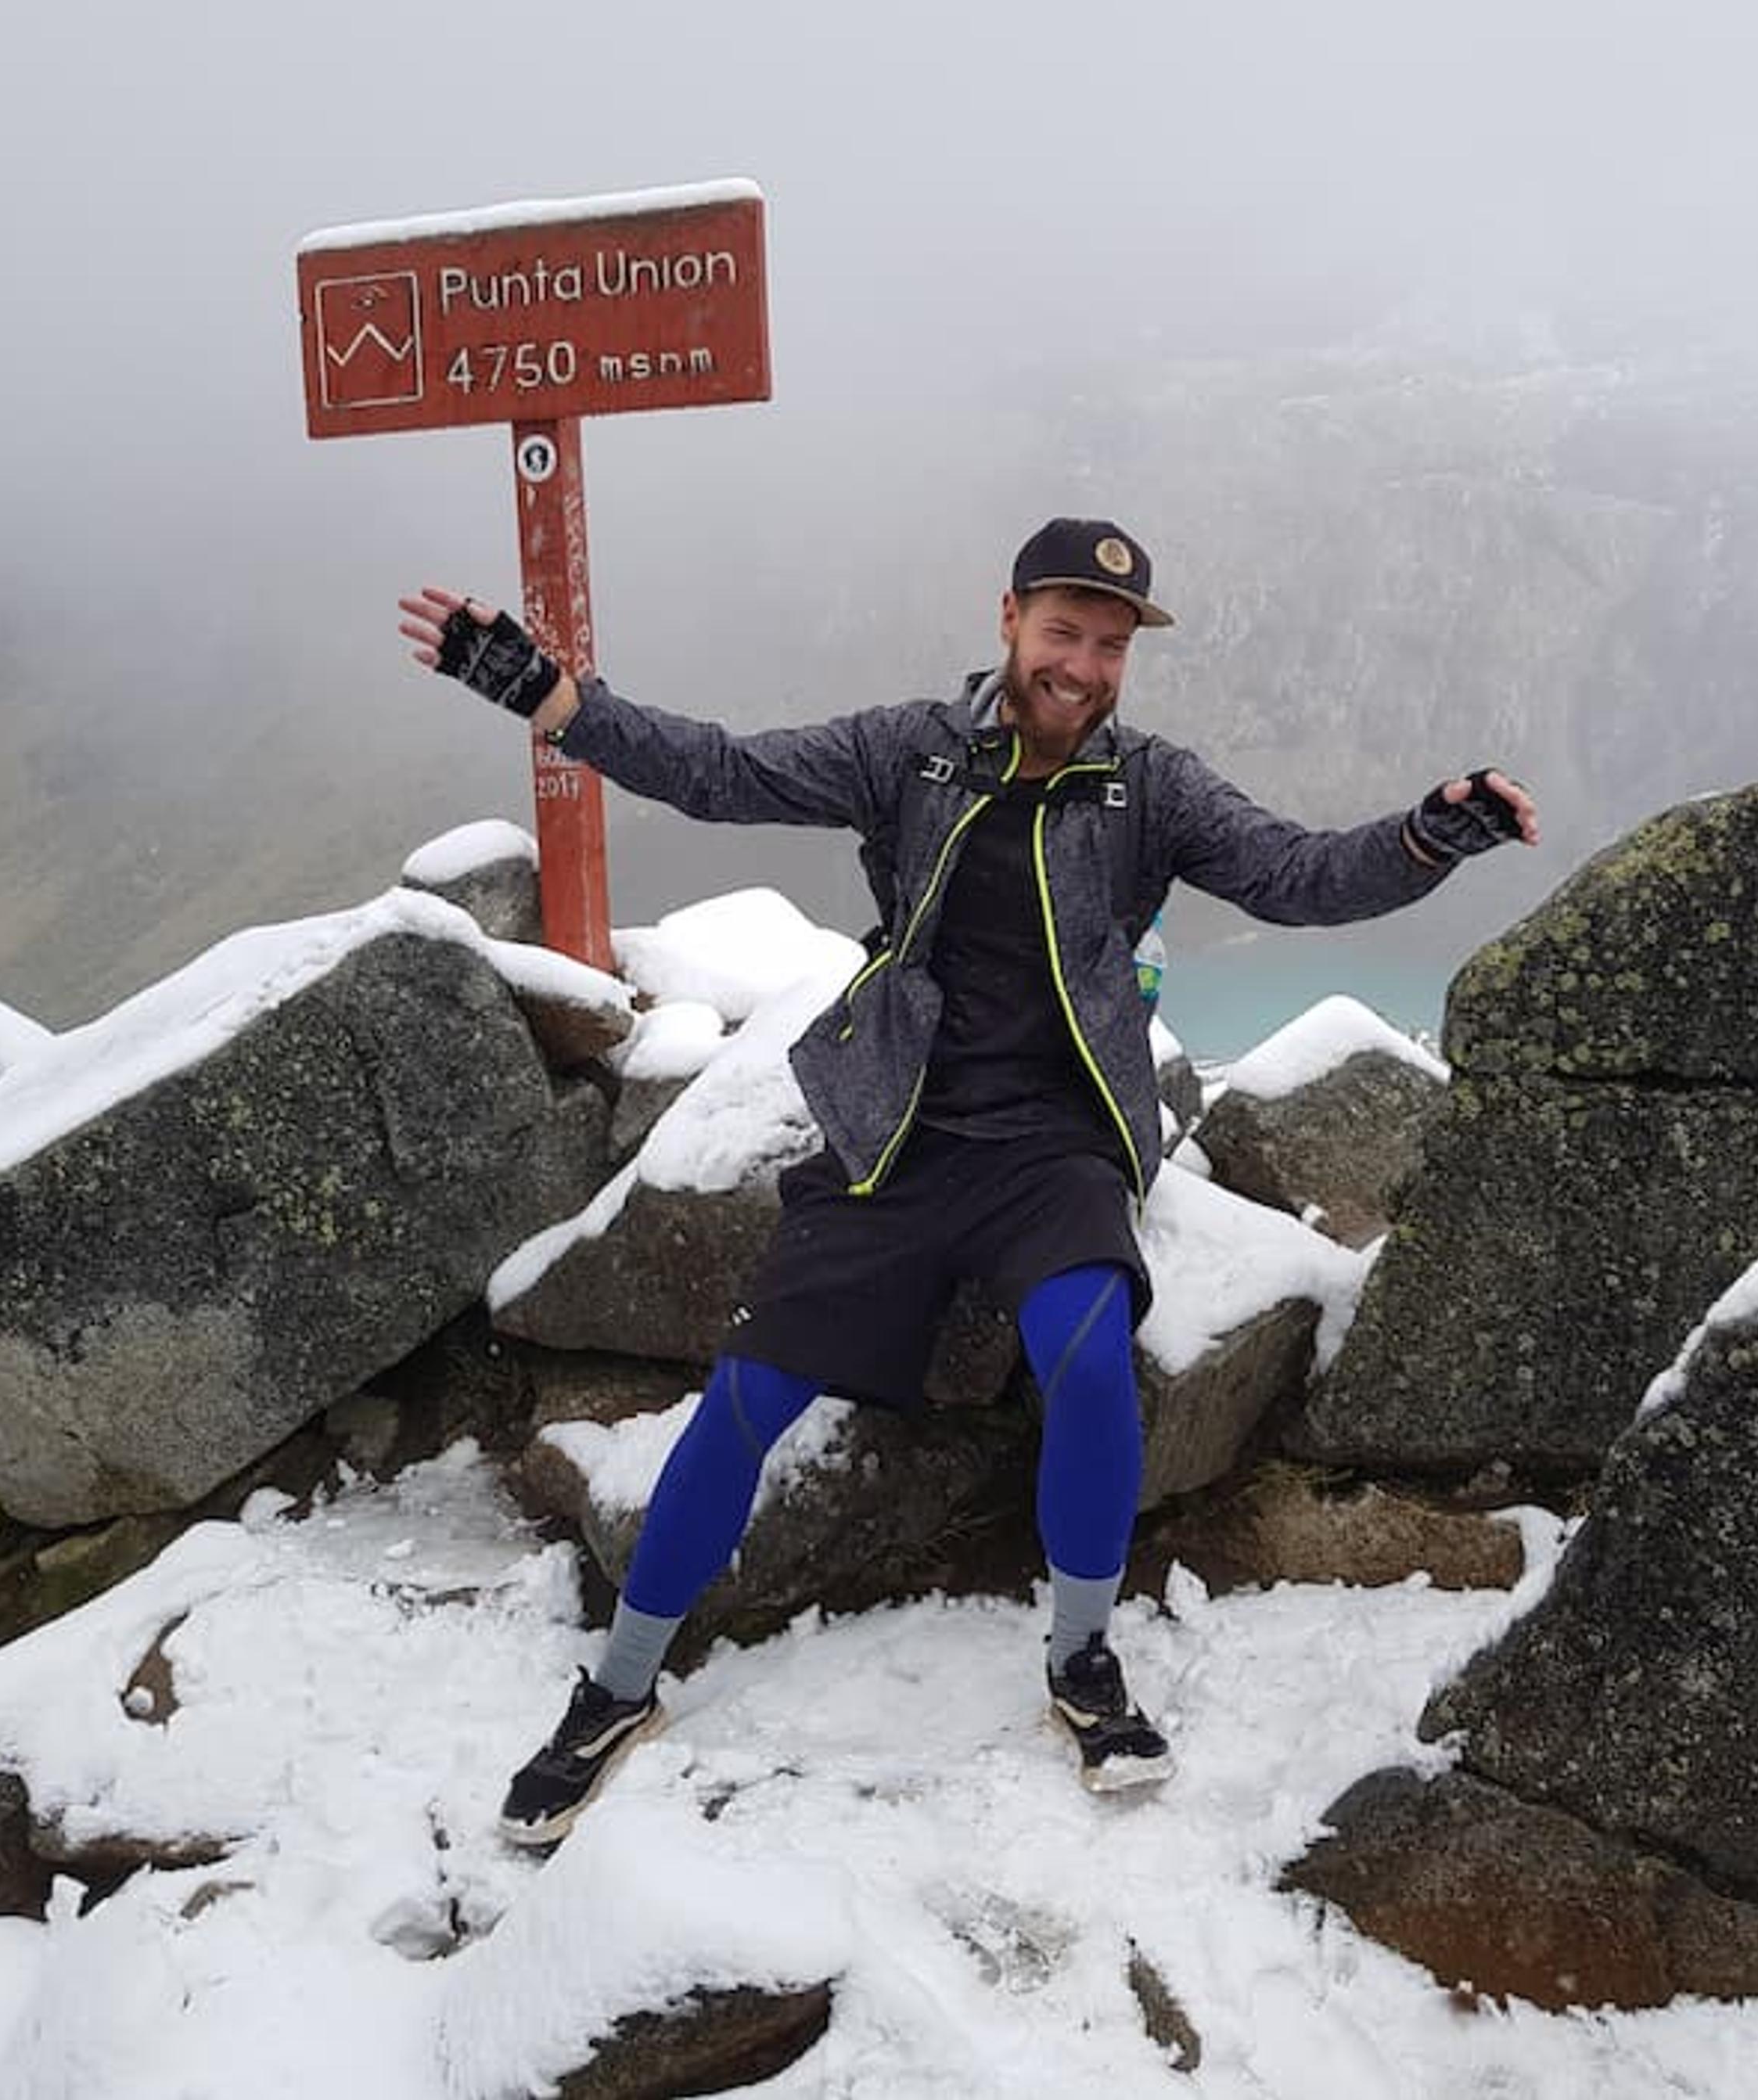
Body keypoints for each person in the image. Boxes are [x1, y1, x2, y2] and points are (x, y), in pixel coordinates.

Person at [400, 516, 1537, 1843]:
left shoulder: (1148, 787)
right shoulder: (910, 752)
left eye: (1111, 646)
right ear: (1010, 621)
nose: (1086, 665)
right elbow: (720, 773)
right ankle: (620, 1684)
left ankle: (1080, 1655)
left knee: (1093, 1358)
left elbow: (1294, 876)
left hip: (1052, 1147)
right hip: (900, 1138)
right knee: (749, 1396)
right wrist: (553, 699)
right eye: (1065, 634)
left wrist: (1426, 836)